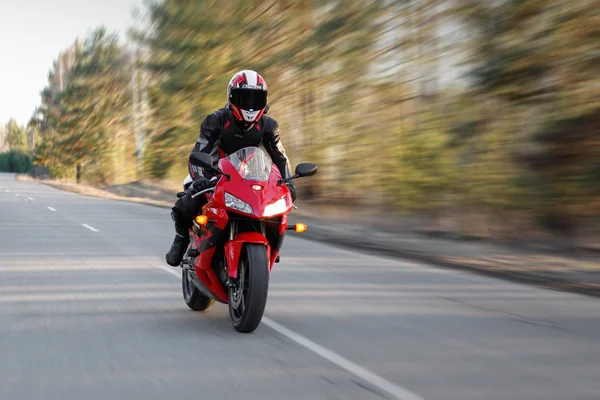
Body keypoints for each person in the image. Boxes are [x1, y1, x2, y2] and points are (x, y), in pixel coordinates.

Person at [165, 70, 297, 267]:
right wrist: (200, 178)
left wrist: (288, 184)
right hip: (214, 175)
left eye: (255, 99)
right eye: (244, 99)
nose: (250, 105)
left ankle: (267, 246)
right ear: (232, 98)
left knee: (275, 211)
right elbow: (198, 152)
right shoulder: (216, 120)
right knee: (187, 202)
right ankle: (181, 239)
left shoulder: (269, 126)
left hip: (251, 178)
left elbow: (280, 158)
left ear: (264, 100)